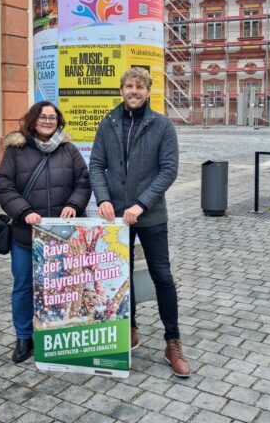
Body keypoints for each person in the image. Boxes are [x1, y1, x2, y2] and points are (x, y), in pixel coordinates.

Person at [89, 67, 190, 377]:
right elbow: (96, 165)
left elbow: (168, 170)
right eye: (129, 86)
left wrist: (141, 204)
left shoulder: (162, 125)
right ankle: (129, 328)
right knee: (122, 276)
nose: (133, 91)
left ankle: (172, 341)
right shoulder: (108, 123)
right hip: (117, 219)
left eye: (139, 86)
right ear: (121, 90)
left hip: (151, 215)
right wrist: (103, 199)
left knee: (162, 276)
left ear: (148, 91)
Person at [0, 101, 91, 363]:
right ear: (33, 120)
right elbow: (4, 186)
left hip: (62, 237)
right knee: (24, 286)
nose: (48, 121)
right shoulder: (16, 151)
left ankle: (54, 333)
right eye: (43, 117)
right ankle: (24, 337)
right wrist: (24, 211)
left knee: (61, 286)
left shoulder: (69, 150)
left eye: (52, 117)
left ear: (58, 122)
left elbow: (84, 182)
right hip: (26, 236)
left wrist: (74, 204)